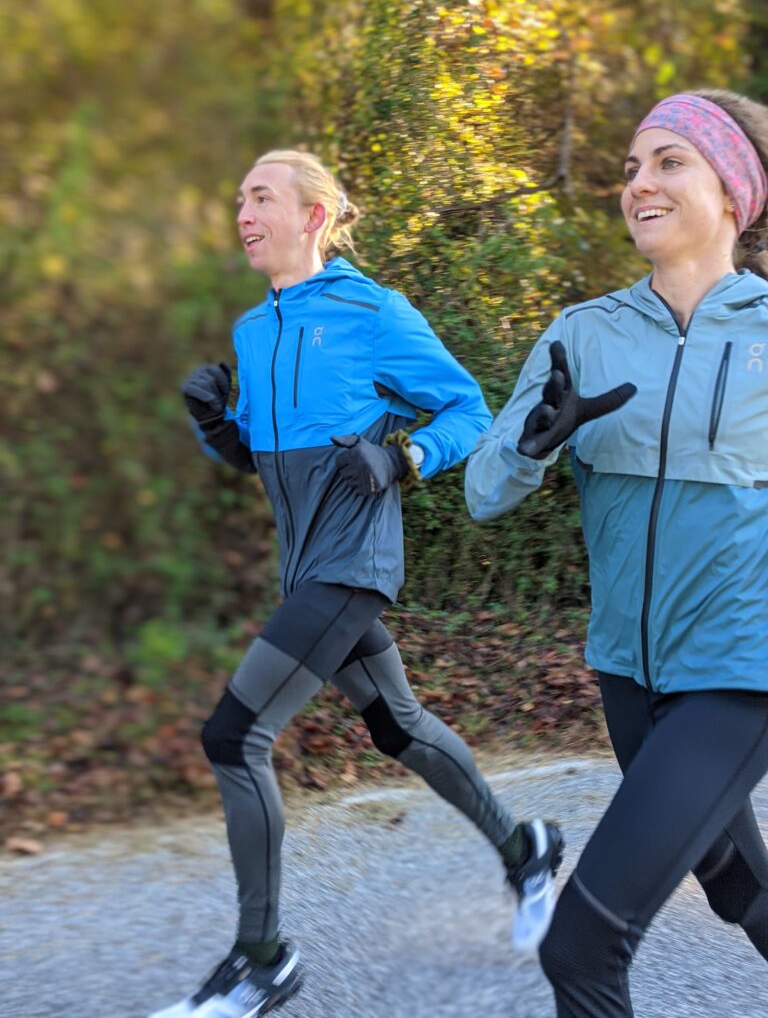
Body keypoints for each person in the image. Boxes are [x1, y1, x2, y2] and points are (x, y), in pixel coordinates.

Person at [149, 150, 563, 1018]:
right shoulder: (252, 331)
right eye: (238, 198)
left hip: (355, 566)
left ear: (314, 214)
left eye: (260, 196)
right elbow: (259, 455)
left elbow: (469, 410)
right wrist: (215, 426)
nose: (243, 211)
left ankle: (263, 960)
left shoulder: (373, 311)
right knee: (396, 726)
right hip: (306, 569)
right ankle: (524, 844)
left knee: (236, 736)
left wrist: (405, 454)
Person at [465, 88, 768, 1016]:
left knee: (583, 947)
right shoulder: (580, 334)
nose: (638, 182)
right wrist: (530, 443)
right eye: (632, 166)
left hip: (739, 672)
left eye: (669, 161)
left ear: (734, 192)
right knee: (737, 887)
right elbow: (481, 493)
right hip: (627, 678)